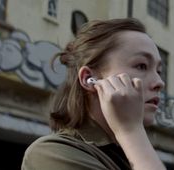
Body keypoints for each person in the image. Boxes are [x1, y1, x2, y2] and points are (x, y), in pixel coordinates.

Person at [21, 18, 166, 170]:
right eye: (141, 66)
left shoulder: (129, 154)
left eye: (159, 71)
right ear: (88, 79)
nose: (160, 82)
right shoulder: (51, 154)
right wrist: (131, 130)